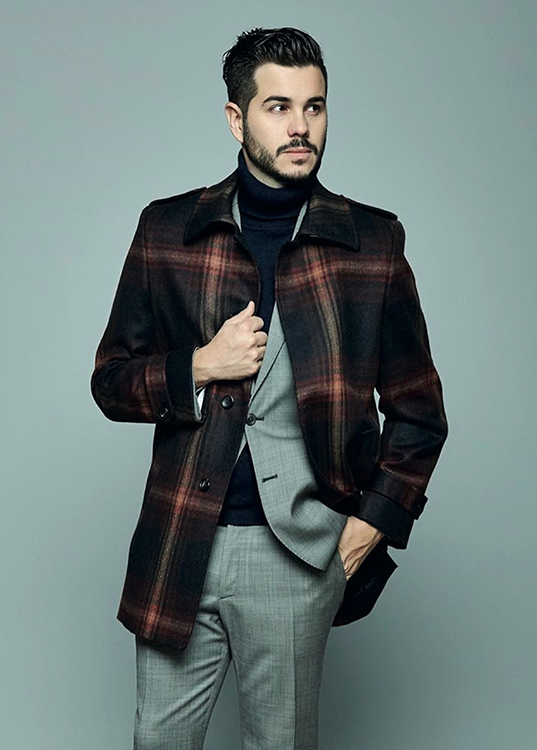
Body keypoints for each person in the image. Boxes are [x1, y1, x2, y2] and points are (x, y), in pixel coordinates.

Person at [91, 26, 448, 750]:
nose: (300, 127)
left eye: (314, 107)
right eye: (278, 107)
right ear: (236, 118)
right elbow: (111, 382)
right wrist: (197, 366)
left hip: (296, 555)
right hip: (179, 544)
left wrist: (373, 523)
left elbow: (418, 412)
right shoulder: (168, 230)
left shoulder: (371, 243)